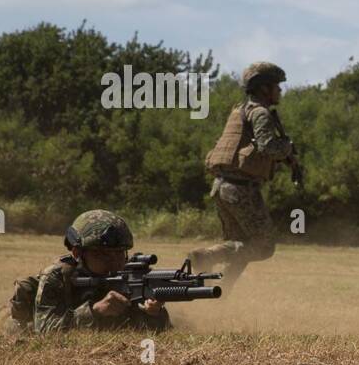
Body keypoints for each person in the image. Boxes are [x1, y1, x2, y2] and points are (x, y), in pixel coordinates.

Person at [188, 61, 296, 284]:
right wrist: (287, 147)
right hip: (241, 189)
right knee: (264, 247)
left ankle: (221, 293)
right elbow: (267, 146)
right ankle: (207, 256)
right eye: (276, 85)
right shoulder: (261, 113)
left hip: (222, 186)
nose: (280, 90)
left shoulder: (240, 110)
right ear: (264, 88)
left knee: (239, 246)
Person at [31, 210, 171, 334]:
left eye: (119, 253)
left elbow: (152, 329)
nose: (114, 261)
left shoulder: (132, 277)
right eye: (102, 254)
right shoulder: (59, 276)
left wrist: (155, 314)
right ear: (77, 253)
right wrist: (94, 311)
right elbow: (44, 329)